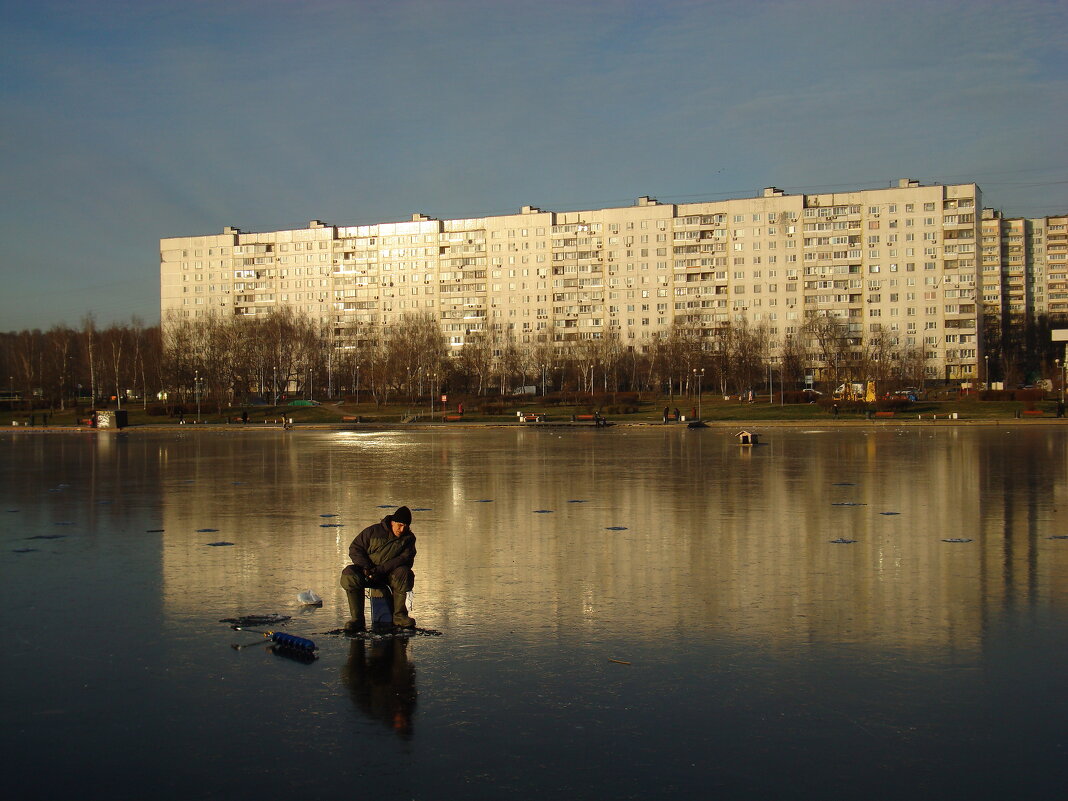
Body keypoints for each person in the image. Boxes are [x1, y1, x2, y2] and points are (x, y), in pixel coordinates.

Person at [340, 505, 417, 632]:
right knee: (349, 574)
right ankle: (357, 619)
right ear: (392, 522)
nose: (402, 529)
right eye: (400, 525)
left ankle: (399, 616)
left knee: (404, 573)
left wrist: (380, 570)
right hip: (368, 572)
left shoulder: (409, 539)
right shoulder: (373, 532)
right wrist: (366, 567)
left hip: (389, 575)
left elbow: (404, 559)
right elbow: (355, 548)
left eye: (405, 526)